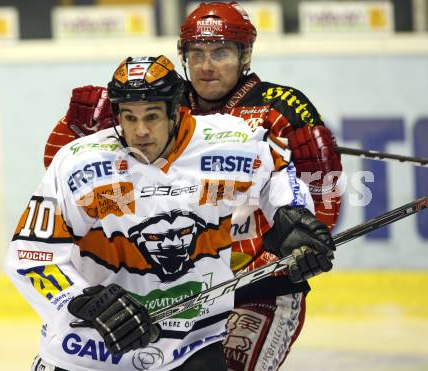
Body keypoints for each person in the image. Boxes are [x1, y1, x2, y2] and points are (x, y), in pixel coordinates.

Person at [43, 2, 343, 370]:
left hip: (261, 283)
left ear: (245, 54)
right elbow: (62, 171)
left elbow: (322, 193)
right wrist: (76, 126)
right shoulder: (162, 99)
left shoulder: (282, 107)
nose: (206, 65)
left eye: (220, 52)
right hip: (180, 284)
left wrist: (294, 249)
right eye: (196, 53)